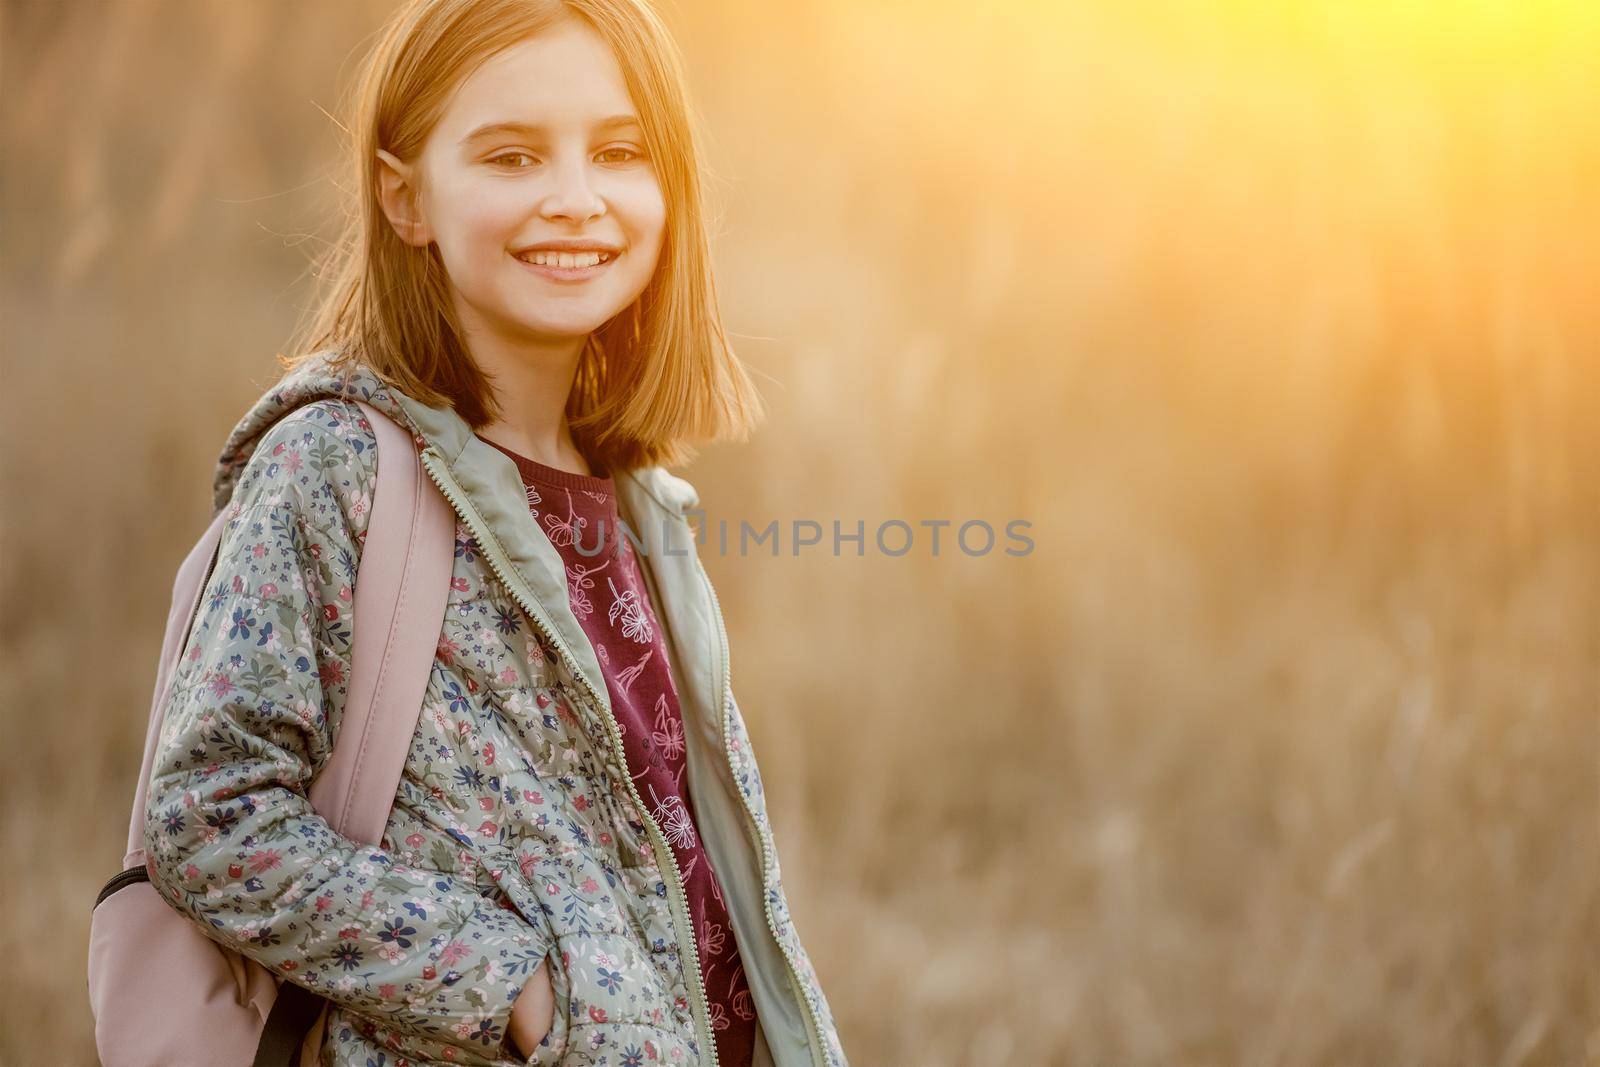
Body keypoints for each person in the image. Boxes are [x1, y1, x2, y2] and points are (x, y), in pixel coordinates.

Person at [140, 2, 848, 1065]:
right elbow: (209, 816)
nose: (575, 200)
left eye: (618, 151)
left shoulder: (638, 495)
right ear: (406, 196)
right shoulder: (334, 466)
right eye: (510, 156)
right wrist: (510, 984)